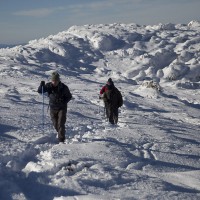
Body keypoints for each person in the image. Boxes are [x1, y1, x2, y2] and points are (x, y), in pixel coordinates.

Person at [38, 72, 72, 143]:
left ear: (58, 80)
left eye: (56, 81)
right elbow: (40, 91)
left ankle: (61, 140)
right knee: (55, 124)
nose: (54, 82)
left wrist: (63, 102)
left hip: (62, 108)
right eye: (53, 81)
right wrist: (41, 86)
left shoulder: (64, 87)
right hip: (52, 108)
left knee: (60, 123)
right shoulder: (48, 86)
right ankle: (61, 132)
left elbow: (69, 96)